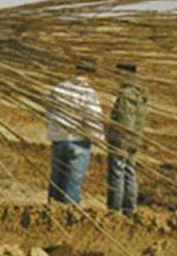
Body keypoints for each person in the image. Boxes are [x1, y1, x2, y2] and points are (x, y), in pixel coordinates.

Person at [46, 58, 105, 205]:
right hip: (79, 143)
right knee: (72, 184)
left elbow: (50, 113)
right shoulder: (88, 94)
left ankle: (51, 213)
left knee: (56, 181)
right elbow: (93, 119)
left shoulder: (59, 89)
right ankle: (68, 218)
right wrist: (98, 138)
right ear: (90, 75)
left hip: (60, 140)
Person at [106, 62, 148, 215]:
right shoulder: (140, 94)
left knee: (117, 174)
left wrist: (120, 143)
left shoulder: (126, 95)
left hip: (122, 141)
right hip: (134, 140)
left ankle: (114, 210)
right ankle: (129, 208)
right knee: (130, 172)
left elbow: (125, 121)